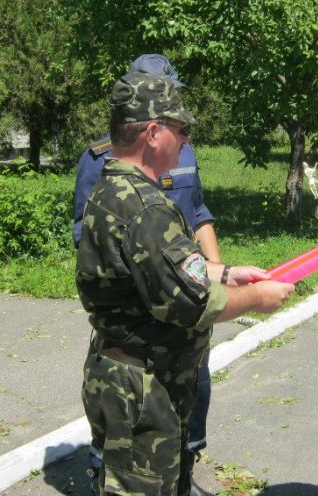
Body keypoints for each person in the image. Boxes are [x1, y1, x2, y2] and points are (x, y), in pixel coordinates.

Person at [76, 70, 294, 496]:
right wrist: (256, 298)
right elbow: (192, 303)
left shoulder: (111, 188)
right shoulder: (146, 207)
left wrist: (227, 273)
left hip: (122, 373)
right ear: (154, 132)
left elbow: (149, 271)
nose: (186, 140)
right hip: (144, 389)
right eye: (181, 129)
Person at [73, 55, 219, 496]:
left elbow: (197, 213)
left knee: (185, 424)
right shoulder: (104, 166)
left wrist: (217, 269)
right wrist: (235, 294)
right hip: (145, 352)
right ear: (152, 127)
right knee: (132, 465)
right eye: (176, 117)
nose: (185, 133)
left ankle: (181, 472)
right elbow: (95, 241)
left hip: (179, 327)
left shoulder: (181, 149)